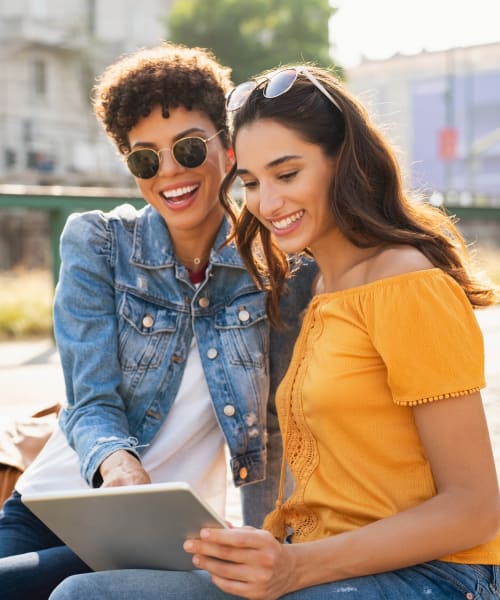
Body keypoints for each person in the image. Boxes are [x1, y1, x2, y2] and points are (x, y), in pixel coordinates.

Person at [49, 64, 500, 600]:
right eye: (253, 184)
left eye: (287, 175)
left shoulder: (406, 282)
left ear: (342, 163)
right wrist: (266, 551)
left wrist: (296, 566)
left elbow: (474, 508)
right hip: (318, 559)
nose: (267, 203)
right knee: (85, 594)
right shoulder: (309, 287)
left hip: (433, 574)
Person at [0, 47, 315, 600]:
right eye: (145, 159)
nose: (168, 171)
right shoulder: (97, 243)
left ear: (228, 147)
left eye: (189, 148)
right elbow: (89, 400)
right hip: (56, 503)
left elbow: (274, 429)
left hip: (167, 536)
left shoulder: (278, 265)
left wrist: (274, 548)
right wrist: (122, 472)